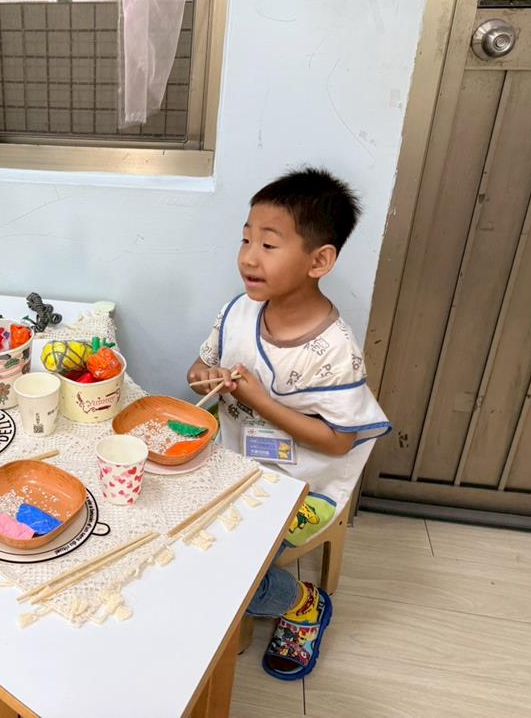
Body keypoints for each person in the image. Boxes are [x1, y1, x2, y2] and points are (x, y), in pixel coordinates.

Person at [187, 167, 390, 680]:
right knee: (173, 530)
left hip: (302, 484)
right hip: (232, 458)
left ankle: (301, 603)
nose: (249, 257)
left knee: (230, 570)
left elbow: (339, 441)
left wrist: (260, 400)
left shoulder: (334, 349)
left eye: (269, 244)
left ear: (319, 261)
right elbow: (197, 370)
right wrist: (205, 378)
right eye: (246, 239)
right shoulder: (239, 311)